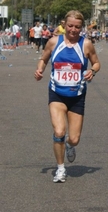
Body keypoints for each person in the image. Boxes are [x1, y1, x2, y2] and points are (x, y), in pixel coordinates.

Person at [34, 10, 100, 183]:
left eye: (77, 27)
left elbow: (97, 62)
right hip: (57, 93)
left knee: (75, 138)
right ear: (64, 24)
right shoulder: (54, 42)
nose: (73, 30)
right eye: (70, 26)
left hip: (77, 96)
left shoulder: (85, 44)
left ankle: (70, 146)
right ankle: (60, 168)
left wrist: (92, 71)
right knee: (59, 131)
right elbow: (44, 59)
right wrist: (40, 69)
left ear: (81, 28)